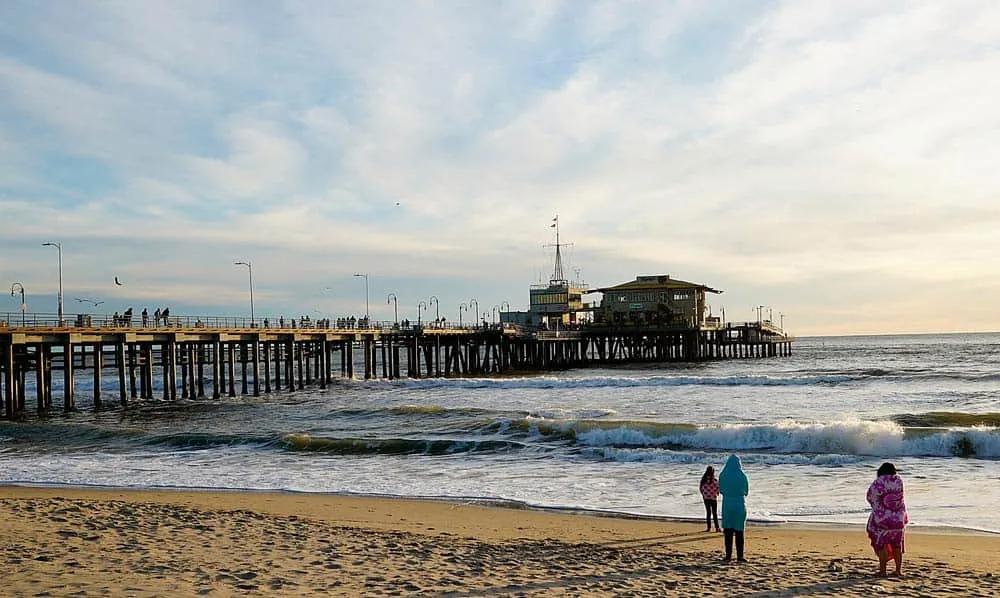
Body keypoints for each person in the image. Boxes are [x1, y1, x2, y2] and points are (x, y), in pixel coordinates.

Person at [867, 462, 908, 577]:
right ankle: (898, 570)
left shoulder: (878, 482)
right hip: (899, 519)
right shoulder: (899, 481)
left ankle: (883, 571)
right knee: (897, 545)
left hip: (883, 519)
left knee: (883, 544)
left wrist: (878, 508)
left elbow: (870, 497)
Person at [719, 454, 749, 562]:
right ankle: (740, 556)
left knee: (728, 532)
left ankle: (728, 556)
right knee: (739, 532)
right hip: (740, 505)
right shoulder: (742, 476)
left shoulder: (723, 475)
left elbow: (721, 490)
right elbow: (746, 492)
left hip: (727, 505)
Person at [700, 466, 721, 532]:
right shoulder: (715, 480)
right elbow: (718, 489)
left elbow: (701, 488)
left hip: (706, 498)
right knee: (714, 513)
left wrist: (703, 494)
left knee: (708, 512)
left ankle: (708, 528)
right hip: (713, 498)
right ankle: (717, 528)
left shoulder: (703, 480)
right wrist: (717, 494)